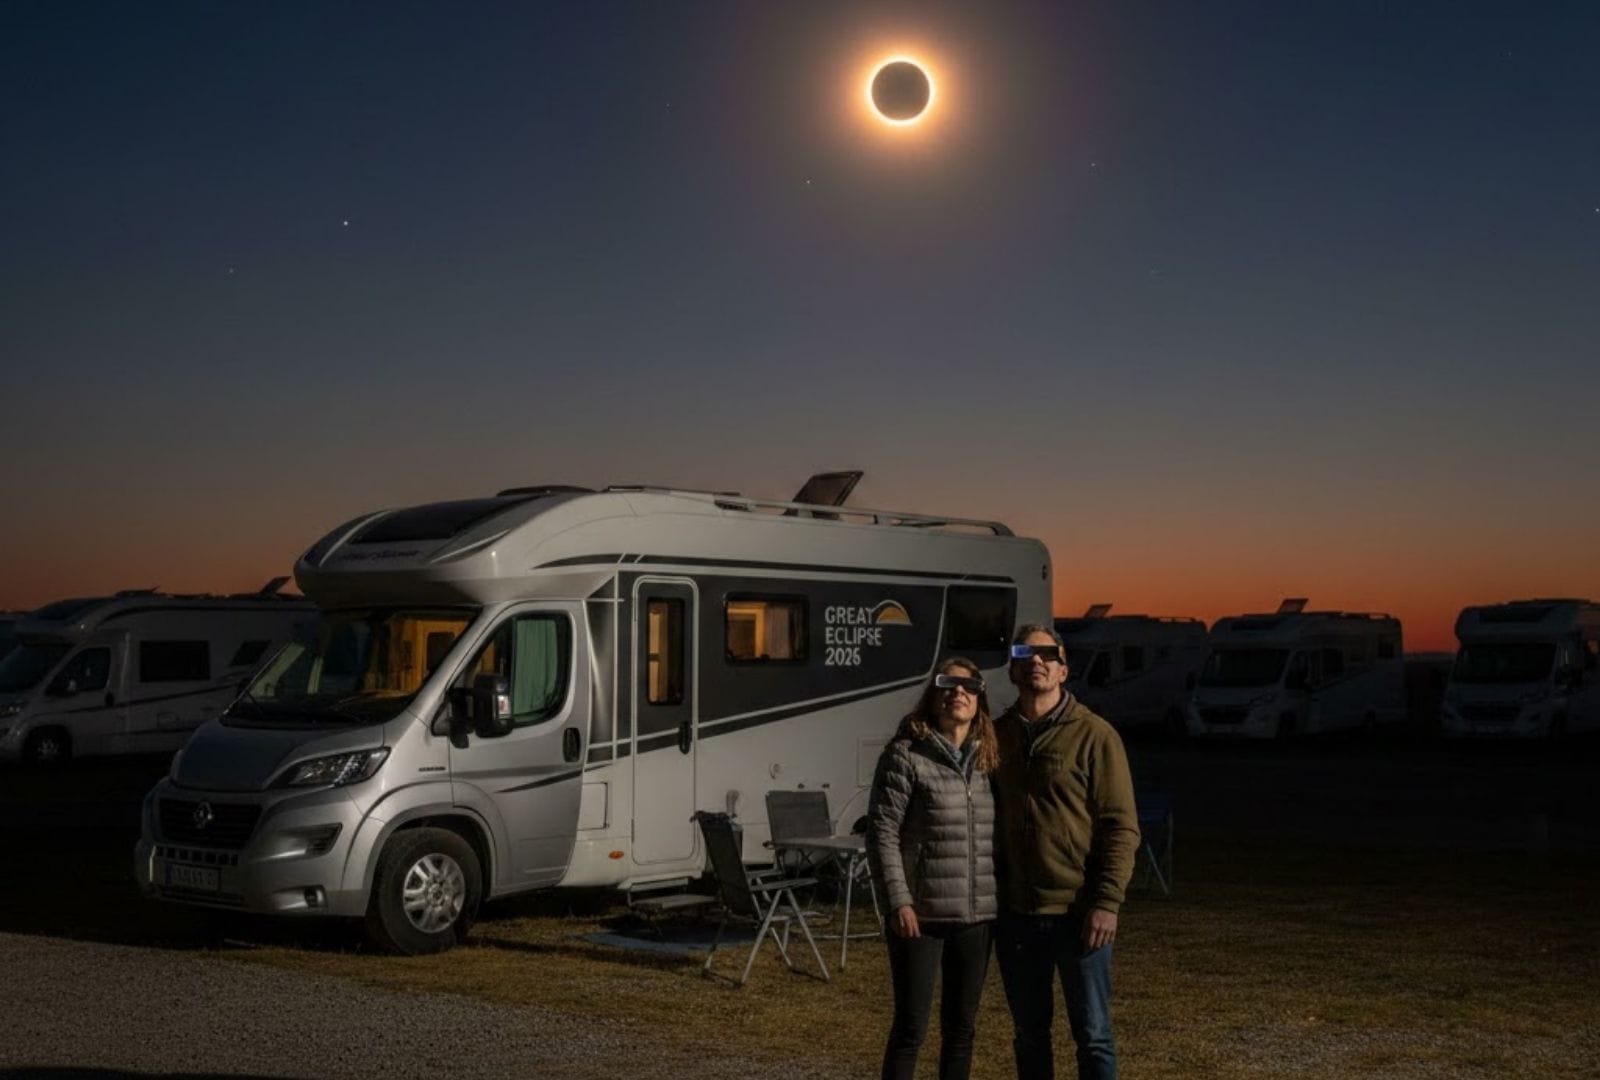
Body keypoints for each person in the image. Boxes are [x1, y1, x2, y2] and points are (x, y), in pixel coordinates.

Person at [992, 624, 1141, 1080]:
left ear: (1063, 669)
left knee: (1093, 1035)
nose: (1035, 660)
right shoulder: (996, 736)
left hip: (1078, 914)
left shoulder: (1095, 736)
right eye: (1024, 653)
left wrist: (1106, 903)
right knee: (1029, 1033)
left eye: (1046, 654)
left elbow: (1121, 828)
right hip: (1016, 912)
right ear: (1013, 669)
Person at [867, 657, 1001, 1080]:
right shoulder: (905, 756)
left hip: (976, 917)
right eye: (947, 684)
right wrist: (898, 901)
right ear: (933, 696)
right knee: (911, 1028)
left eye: (968, 685)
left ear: (979, 700)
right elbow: (882, 833)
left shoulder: (989, 762)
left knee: (962, 1031)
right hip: (920, 916)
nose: (957, 692)